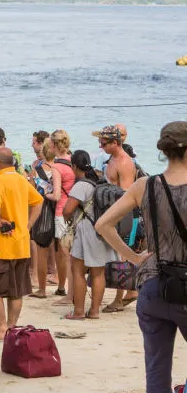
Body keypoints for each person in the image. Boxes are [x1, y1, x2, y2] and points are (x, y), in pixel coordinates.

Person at [95, 122, 187, 393]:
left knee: (157, 371)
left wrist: (133, 258)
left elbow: (103, 223)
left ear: (164, 150)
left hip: (154, 284)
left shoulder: (144, 186)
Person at [0, 147, 44, 342]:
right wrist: (27, 226)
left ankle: (1, 327)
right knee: (16, 289)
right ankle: (11, 326)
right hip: (20, 243)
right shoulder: (20, 178)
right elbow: (38, 201)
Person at [63, 150, 118, 320]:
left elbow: (68, 210)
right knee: (98, 273)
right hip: (102, 229)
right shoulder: (99, 180)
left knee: (78, 271)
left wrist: (68, 220)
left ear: (73, 166)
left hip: (86, 230)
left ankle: (79, 311)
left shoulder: (81, 185)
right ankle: (94, 311)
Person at [94, 124, 140, 312]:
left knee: (122, 254)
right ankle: (124, 294)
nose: (100, 146)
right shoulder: (111, 159)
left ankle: (120, 298)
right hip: (111, 211)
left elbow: (127, 195)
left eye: (103, 143)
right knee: (116, 253)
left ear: (115, 142)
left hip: (124, 214)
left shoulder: (124, 162)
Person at [47, 130, 75, 304]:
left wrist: (43, 193)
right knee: (70, 253)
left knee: (65, 254)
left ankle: (69, 293)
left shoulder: (56, 167)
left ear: (54, 146)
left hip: (61, 212)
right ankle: (64, 288)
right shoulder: (71, 163)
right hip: (73, 210)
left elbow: (56, 195)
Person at [30, 138, 59, 299]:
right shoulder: (60, 168)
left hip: (42, 210)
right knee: (60, 249)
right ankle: (60, 282)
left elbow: (33, 193)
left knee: (42, 250)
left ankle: (42, 288)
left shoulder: (36, 170)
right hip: (59, 209)